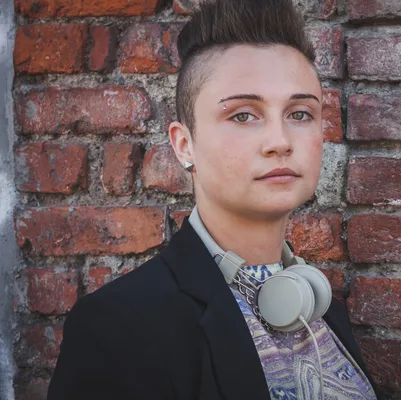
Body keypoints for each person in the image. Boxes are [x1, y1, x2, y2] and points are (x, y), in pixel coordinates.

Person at [47, 0, 378, 399]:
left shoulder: (323, 312)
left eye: (300, 113)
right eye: (242, 115)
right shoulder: (119, 326)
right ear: (184, 144)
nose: (280, 142)